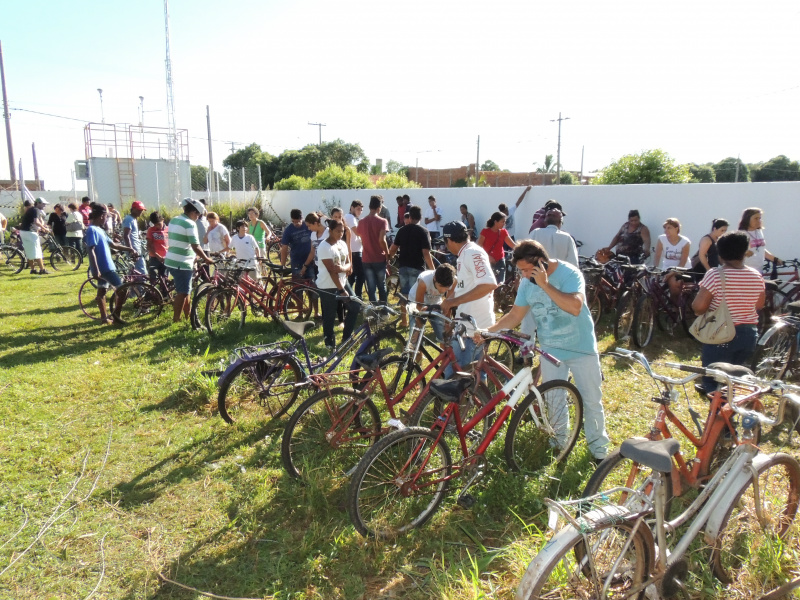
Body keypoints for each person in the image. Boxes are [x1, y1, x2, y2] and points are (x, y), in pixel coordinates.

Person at [479, 240, 610, 460]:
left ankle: (599, 452)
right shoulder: (526, 283)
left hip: (581, 348)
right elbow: (515, 316)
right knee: (553, 398)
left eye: (528, 270)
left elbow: (575, 307)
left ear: (542, 262)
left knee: (591, 399)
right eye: (521, 270)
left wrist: (545, 285)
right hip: (551, 349)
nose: (524, 275)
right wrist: (487, 331)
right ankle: (559, 441)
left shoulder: (570, 274)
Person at [692, 231, 765, 393]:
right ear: (744, 252)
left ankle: (718, 416)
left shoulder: (716, 275)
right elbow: (759, 304)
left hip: (721, 334)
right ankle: (729, 414)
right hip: (749, 334)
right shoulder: (756, 275)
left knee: (714, 383)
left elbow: (698, 307)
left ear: (720, 253)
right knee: (733, 382)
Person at [440, 221, 497, 372]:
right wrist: (449, 300)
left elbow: (489, 284)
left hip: (475, 328)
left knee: (469, 377)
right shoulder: (464, 254)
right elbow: (465, 286)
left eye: (445, 243)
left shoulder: (472, 253)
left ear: (450, 241)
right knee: (454, 371)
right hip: (465, 326)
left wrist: (453, 302)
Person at [84, 203, 136, 325]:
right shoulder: (92, 230)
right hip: (105, 268)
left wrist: (129, 249)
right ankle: (116, 318)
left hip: (106, 267)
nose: (107, 219)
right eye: (106, 216)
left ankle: (104, 319)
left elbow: (114, 245)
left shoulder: (100, 230)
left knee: (101, 292)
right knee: (122, 291)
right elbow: (90, 249)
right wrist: (95, 269)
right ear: (102, 216)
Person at [164, 198, 214, 323]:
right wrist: (206, 258)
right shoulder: (190, 223)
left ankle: (188, 315)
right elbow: (195, 246)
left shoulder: (174, 220)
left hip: (171, 260)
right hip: (182, 262)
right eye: (198, 215)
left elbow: (180, 242)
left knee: (186, 291)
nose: (198, 217)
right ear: (193, 212)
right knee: (182, 293)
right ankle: (176, 319)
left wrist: (195, 256)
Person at [388, 204, 435, 326]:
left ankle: (404, 321)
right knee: (417, 297)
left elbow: (393, 249)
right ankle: (417, 322)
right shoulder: (423, 231)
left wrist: (389, 258)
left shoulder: (402, 230)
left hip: (403, 266)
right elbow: (426, 253)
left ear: (410, 216)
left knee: (405, 295)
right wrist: (433, 270)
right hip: (417, 267)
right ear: (420, 217)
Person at [317, 219, 359, 351]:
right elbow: (331, 271)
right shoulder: (324, 247)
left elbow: (348, 264)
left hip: (342, 281)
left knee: (355, 307)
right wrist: (341, 290)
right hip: (328, 285)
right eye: (338, 231)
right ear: (330, 231)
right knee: (329, 315)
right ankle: (330, 344)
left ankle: (346, 339)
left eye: (342, 231)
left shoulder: (342, 244)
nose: (341, 234)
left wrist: (343, 269)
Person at [409, 263, 457, 342]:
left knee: (444, 335)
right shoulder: (424, 281)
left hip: (435, 304)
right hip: (416, 303)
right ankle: (418, 353)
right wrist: (418, 328)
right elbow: (418, 306)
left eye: (447, 287)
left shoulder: (454, 281)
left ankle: (444, 352)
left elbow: (448, 304)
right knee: (416, 338)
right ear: (435, 278)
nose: (443, 290)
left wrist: (447, 323)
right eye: (441, 286)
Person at [357, 196, 390, 304]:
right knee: (382, 286)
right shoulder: (382, 221)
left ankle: (374, 312)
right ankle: (384, 311)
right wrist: (387, 253)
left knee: (371, 287)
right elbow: (382, 240)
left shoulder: (361, 222)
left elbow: (360, 236)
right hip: (379, 258)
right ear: (379, 207)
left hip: (366, 258)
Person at [654, 218, 691, 303]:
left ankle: (675, 306)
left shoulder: (685, 242)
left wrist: (671, 273)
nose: (666, 230)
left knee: (675, 284)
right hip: (667, 268)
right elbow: (657, 255)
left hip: (682, 269)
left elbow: (682, 262)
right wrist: (655, 268)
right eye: (665, 228)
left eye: (669, 228)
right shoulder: (661, 239)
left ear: (676, 228)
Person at [478, 212, 516, 283]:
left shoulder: (503, 232)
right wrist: (488, 257)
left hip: (500, 261)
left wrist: (522, 249)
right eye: (502, 222)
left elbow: (512, 245)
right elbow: (478, 247)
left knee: (500, 283)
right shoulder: (485, 232)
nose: (504, 224)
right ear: (495, 222)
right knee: (488, 283)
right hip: (487, 262)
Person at [739, 207, 781, 271]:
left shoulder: (759, 232)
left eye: (760, 218)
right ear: (747, 219)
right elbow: (736, 253)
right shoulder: (741, 234)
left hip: (759, 270)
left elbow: (761, 249)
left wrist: (775, 259)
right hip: (746, 270)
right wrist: (745, 252)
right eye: (756, 218)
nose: (759, 221)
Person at [19, 198, 50, 274]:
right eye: (43, 204)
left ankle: (33, 269)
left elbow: (38, 221)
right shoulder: (35, 210)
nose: (44, 206)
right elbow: (36, 222)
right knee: (37, 251)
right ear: (38, 203)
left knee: (29, 251)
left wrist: (43, 226)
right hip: (30, 232)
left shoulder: (32, 210)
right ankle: (42, 270)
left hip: (23, 232)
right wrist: (44, 229)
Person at [280, 208, 312, 278]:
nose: (296, 224)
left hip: (310, 260)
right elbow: (284, 248)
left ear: (302, 218)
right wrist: (283, 264)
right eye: (293, 221)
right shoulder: (288, 230)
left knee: (312, 284)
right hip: (296, 261)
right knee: (297, 284)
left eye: (298, 222)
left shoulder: (308, 225)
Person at [344, 200, 365, 297]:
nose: (359, 211)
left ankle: (350, 296)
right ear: (351, 207)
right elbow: (358, 232)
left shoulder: (353, 218)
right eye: (357, 209)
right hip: (355, 251)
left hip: (354, 250)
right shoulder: (350, 217)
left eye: (361, 210)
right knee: (361, 276)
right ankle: (357, 297)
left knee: (352, 277)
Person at [122, 200, 146, 274]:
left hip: (136, 247)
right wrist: (131, 249)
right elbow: (126, 235)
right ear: (133, 209)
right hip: (134, 249)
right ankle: (141, 285)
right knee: (142, 272)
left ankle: (130, 285)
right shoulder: (129, 219)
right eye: (139, 210)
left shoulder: (133, 219)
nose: (140, 212)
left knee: (134, 271)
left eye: (142, 210)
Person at [146, 211, 169, 279]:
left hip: (166, 257)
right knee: (153, 277)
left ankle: (163, 289)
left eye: (159, 224)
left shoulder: (169, 229)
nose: (157, 226)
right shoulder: (151, 230)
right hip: (154, 257)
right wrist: (158, 256)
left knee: (164, 277)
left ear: (163, 220)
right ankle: (153, 289)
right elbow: (149, 246)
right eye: (155, 225)